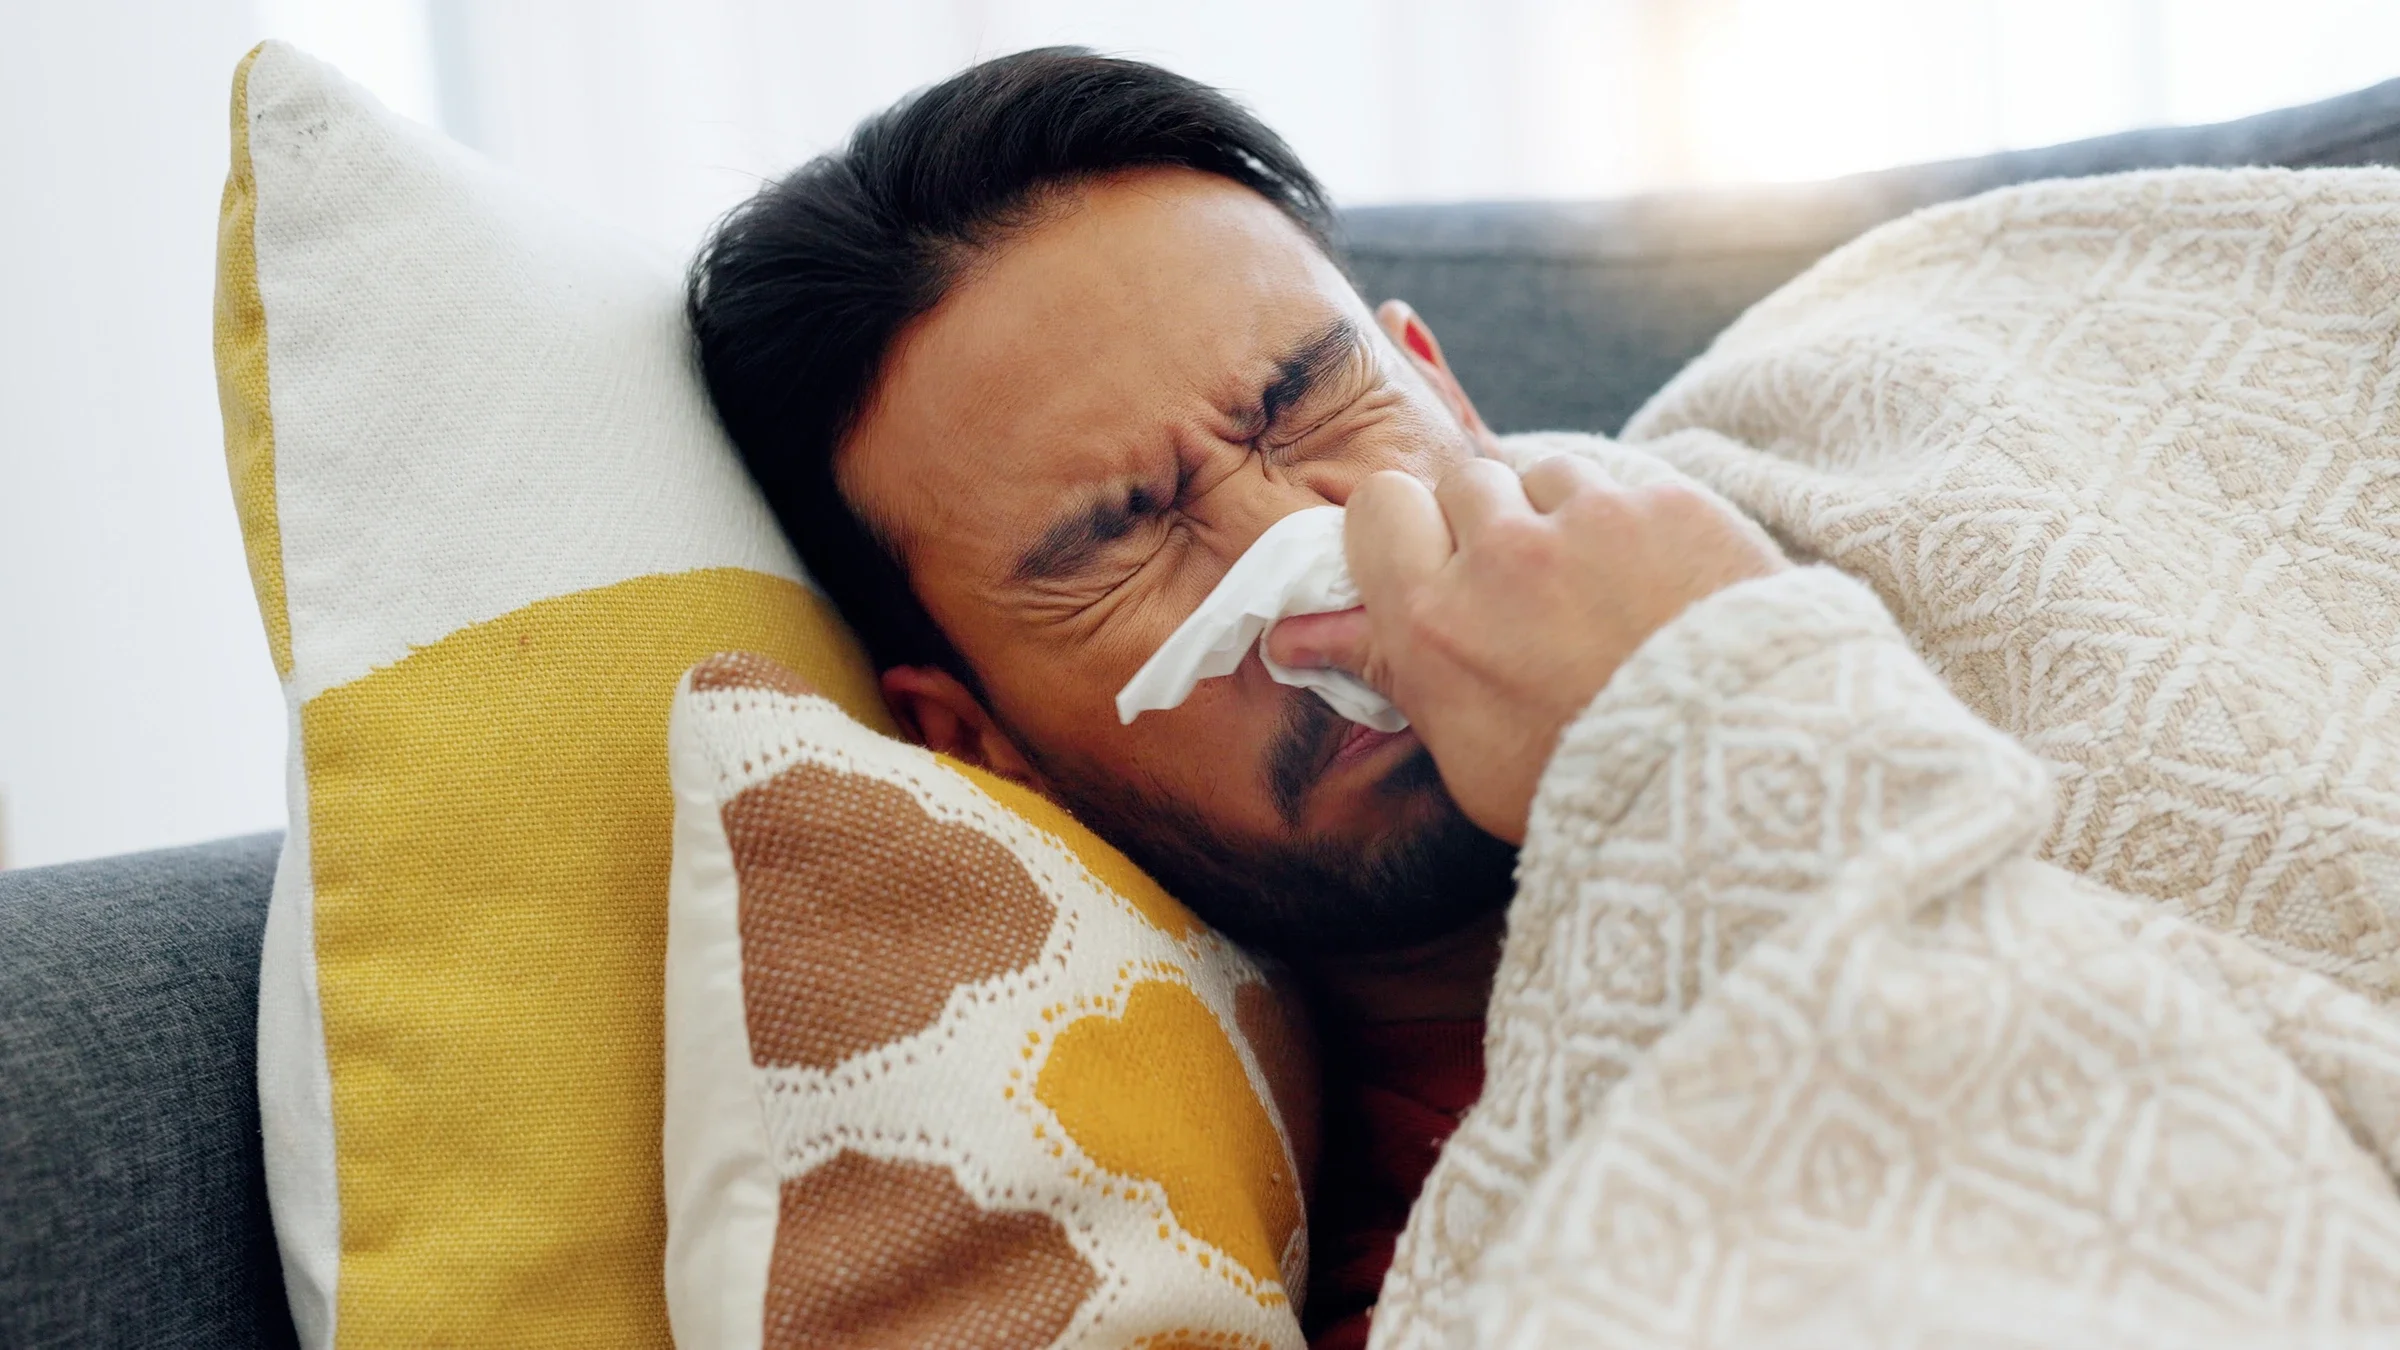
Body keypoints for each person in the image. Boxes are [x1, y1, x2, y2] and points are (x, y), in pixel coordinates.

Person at [687, 46, 1783, 1344]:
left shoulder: (1902, 550)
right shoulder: (1435, 1268)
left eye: (1302, 407)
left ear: (1444, 392)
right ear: (979, 740)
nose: (1314, 568)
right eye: (1122, 532)